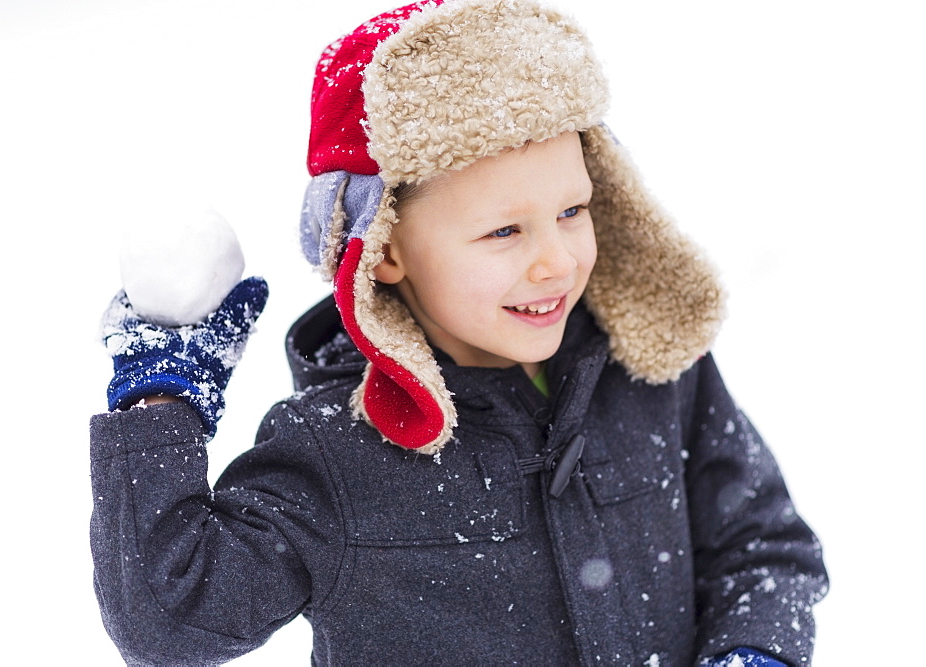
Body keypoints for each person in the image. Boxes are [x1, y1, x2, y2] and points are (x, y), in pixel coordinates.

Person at [91, 0, 828, 664]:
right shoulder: (334, 451)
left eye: (573, 210)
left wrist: (754, 652)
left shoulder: (647, 368)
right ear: (383, 249)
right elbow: (172, 616)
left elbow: (763, 547)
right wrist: (162, 401)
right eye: (504, 230)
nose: (556, 260)